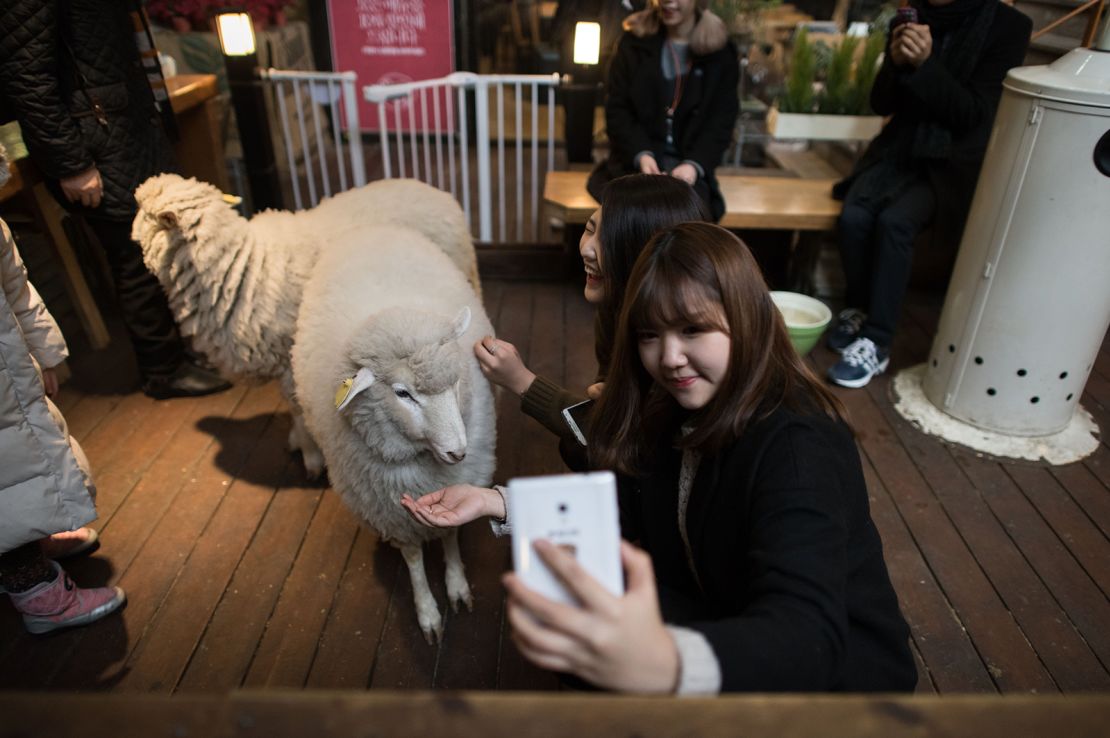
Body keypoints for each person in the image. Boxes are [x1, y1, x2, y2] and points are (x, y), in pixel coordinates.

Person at [403, 222, 917, 693]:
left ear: (747, 319)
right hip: (723, 603)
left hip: (834, 690)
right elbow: (625, 496)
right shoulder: (673, 404)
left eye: (693, 330)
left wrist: (668, 662)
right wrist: (496, 502)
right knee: (583, 633)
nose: (669, 357)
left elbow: (808, 634)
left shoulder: (799, 447)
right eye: (650, 335)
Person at [0, 0, 232, 399]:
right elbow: (27, 76)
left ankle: (178, 354)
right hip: (97, 134)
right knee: (135, 253)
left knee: (157, 246)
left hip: (123, 122)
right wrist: (71, 163)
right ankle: (163, 369)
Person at [825, 0, 1032, 388]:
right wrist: (897, 61)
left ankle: (878, 341)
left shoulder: (1009, 27)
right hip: (897, 152)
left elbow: (974, 115)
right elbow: (881, 103)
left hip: (952, 163)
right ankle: (858, 310)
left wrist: (925, 65)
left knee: (894, 222)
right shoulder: (909, 17)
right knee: (853, 216)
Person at [475, 173, 708, 455]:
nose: (586, 248)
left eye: (608, 239)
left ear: (652, 249)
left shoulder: (683, 345)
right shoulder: (613, 311)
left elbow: (611, 435)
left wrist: (521, 380)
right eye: (590, 228)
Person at [0, 207, 125, 635]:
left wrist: (44, 350)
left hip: (9, 373)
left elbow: (16, 287)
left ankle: (30, 535)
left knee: (23, 469)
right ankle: (35, 592)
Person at [587, 0, 739, 222]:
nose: (667, 2)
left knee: (687, 219)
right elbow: (617, 110)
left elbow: (721, 121)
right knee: (636, 216)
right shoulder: (633, 42)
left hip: (690, 169)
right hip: (634, 164)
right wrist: (641, 154)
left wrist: (693, 166)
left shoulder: (721, 51)